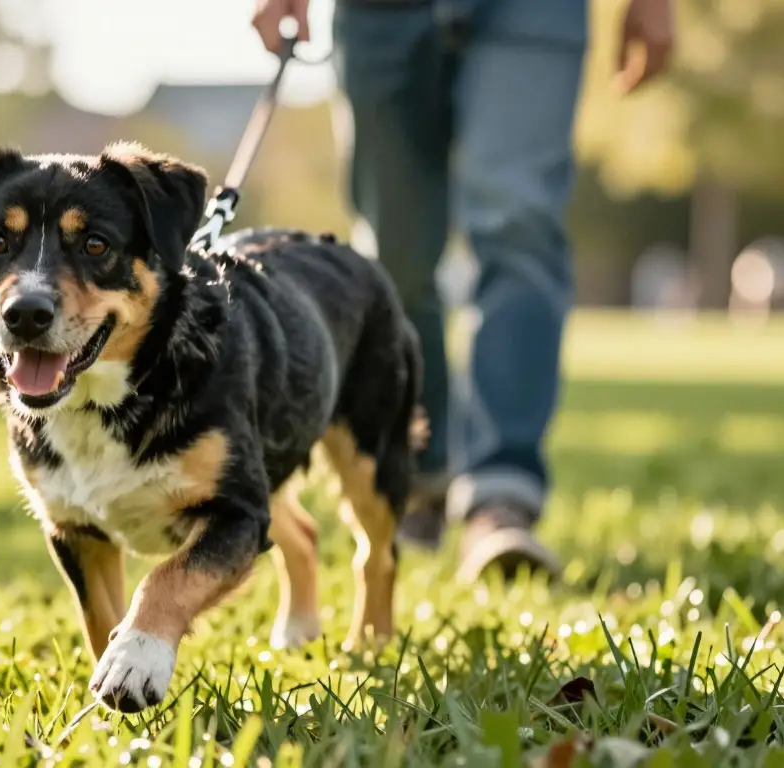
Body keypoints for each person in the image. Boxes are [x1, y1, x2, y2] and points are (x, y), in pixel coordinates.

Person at [251, 0, 674, 582]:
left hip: (532, 13)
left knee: (516, 217)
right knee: (396, 257)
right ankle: (419, 474)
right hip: (380, 15)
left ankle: (502, 494)